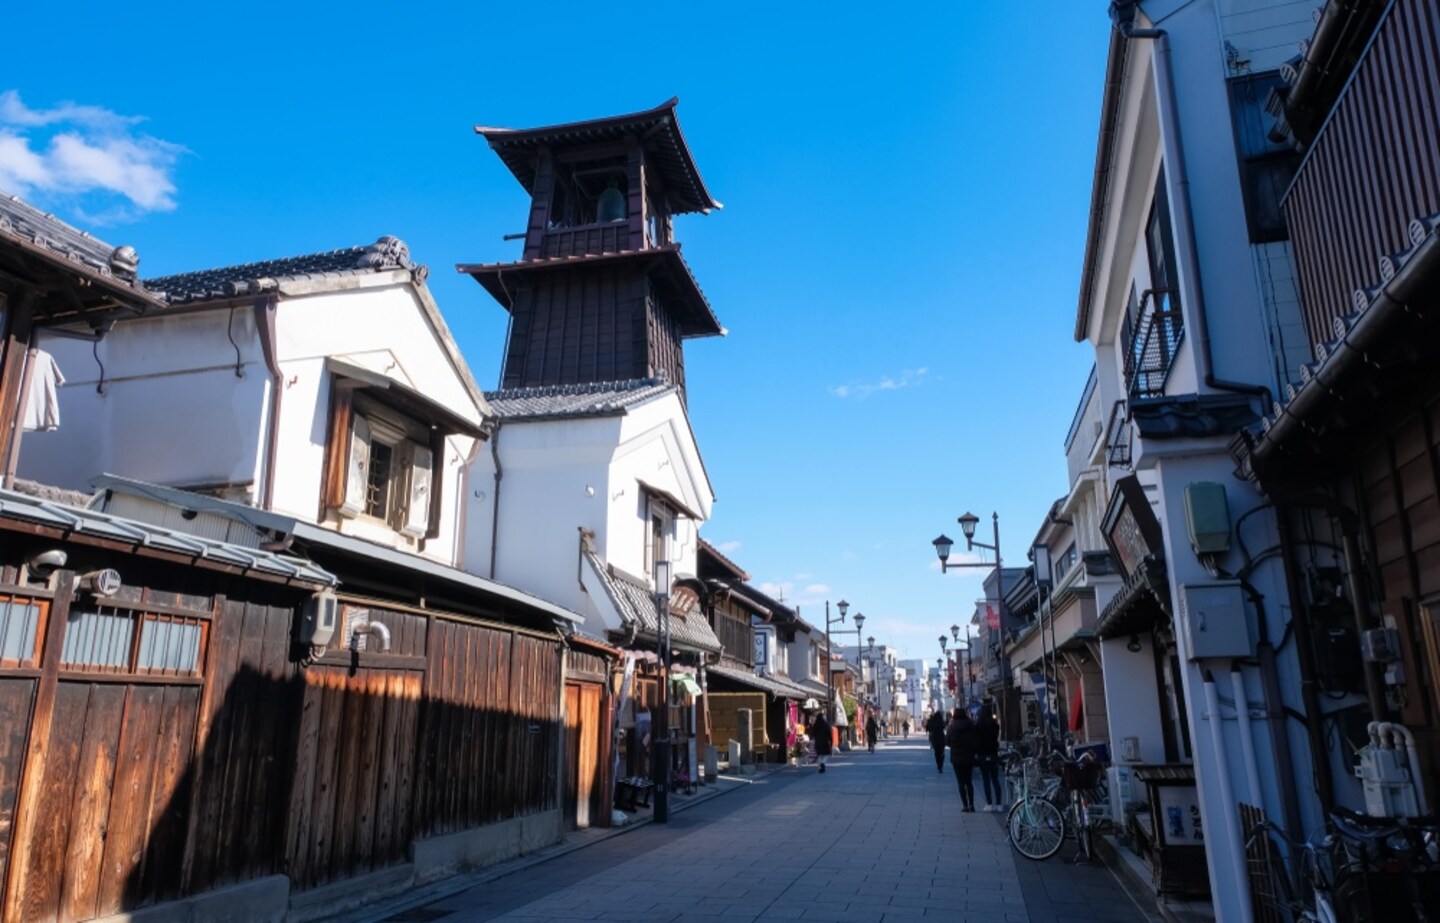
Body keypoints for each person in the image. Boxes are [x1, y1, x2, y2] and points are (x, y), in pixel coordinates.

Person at [946, 707, 978, 812]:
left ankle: (965, 805)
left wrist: (954, 746)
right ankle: (972, 804)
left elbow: (947, 742)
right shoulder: (970, 725)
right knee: (969, 781)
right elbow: (975, 740)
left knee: (960, 782)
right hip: (969, 756)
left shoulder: (952, 726)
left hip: (956, 758)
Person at [975, 702, 1003, 811]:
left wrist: (976, 753)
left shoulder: (977, 726)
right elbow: (996, 739)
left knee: (986, 779)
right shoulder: (995, 725)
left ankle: (989, 804)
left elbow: (976, 742)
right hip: (993, 754)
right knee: (995, 779)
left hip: (982, 755)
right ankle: (999, 804)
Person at [925, 709, 947, 773]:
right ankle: (941, 765)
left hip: (935, 738)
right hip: (941, 739)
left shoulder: (932, 722)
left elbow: (928, 727)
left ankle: (938, 765)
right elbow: (944, 727)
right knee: (942, 753)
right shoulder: (941, 722)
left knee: (937, 753)